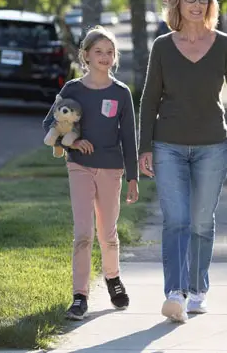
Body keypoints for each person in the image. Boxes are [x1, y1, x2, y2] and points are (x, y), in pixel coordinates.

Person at [138, 0, 227, 322]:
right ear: (177, 1)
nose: (197, 5)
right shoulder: (162, 47)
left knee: (202, 220)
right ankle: (175, 291)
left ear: (210, 2)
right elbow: (149, 99)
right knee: (177, 220)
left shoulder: (224, 45)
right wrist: (144, 147)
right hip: (168, 145)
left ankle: (197, 288)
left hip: (212, 146)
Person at [42, 25, 139, 321]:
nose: (105, 57)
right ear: (85, 56)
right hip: (79, 166)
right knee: (83, 233)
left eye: (110, 52)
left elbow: (128, 139)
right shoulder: (72, 90)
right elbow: (50, 124)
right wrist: (72, 142)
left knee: (108, 234)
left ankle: (113, 278)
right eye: (98, 52)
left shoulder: (121, 93)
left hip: (112, 169)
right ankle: (79, 296)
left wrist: (133, 177)